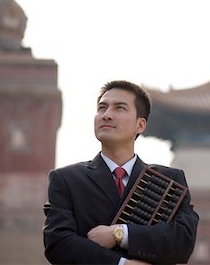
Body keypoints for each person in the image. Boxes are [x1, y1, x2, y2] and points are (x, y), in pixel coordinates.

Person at [43, 80, 199, 265]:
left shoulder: (170, 180)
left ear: (140, 125)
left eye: (119, 108)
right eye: (102, 108)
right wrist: (122, 264)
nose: (106, 115)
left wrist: (121, 233)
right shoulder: (66, 179)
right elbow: (58, 244)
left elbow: (182, 242)